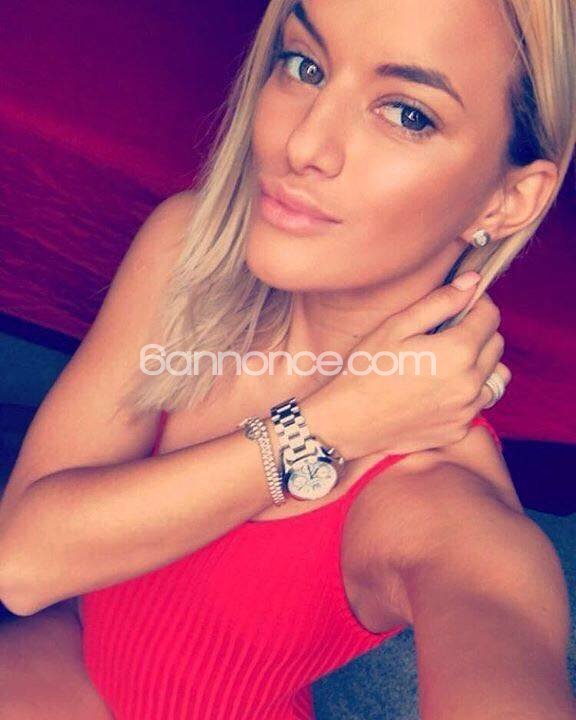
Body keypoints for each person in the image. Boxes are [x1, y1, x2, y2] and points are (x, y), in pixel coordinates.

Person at [0, 0, 575, 718]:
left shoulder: (444, 502)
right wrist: (330, 423)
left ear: (507, 200)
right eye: (305, 65)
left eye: (406, 114)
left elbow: (502, 639)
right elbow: (22, 563)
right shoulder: (190, 253)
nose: (303, 144)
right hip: (73, 653)